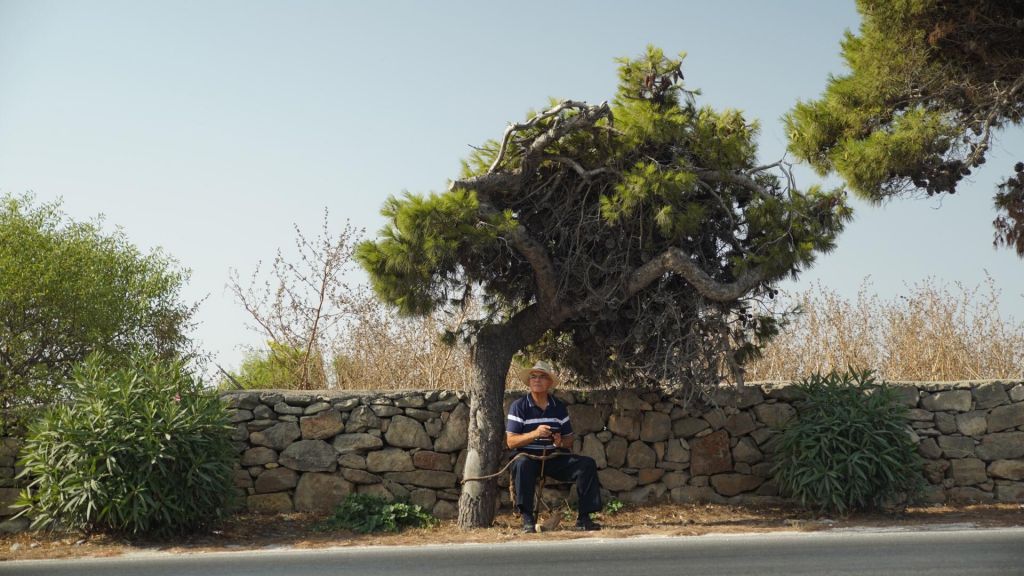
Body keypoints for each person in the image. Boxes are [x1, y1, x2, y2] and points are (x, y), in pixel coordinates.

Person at [505, 360, 602, 533]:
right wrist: (534, 434)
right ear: (529, 381)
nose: (537, 380)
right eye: (533, 377)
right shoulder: (519, 406)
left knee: (586, 464)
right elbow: (511, 441)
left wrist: (560, 442)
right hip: (528, 457)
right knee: (521, 465)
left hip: (553, 456)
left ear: (549, 382)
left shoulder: (558, 407)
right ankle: (527, 519)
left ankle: (584, 518)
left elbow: (569, 440)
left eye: (542, 377)